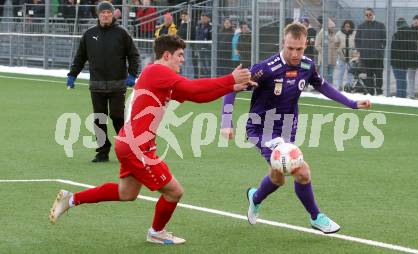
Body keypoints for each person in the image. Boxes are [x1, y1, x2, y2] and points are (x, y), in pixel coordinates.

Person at [49, 35, 253, 244]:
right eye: (179, 55)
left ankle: (71, 199)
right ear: (166, 55)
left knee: (126, 193)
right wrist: (230, 79)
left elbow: (197, 96)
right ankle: (156, 232)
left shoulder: (161, 78)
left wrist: (231, 87)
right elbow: (193, 88)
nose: (182, 59)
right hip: (137, 146)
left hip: (131, 144)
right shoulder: (158, 71)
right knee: (174, 192)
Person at [220, 23, 371, 234]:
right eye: (290, 48)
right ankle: (316, 217)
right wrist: (226, 122)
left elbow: (323, 86)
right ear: (283, 43)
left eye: (299, 49)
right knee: (302, 170)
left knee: (278, 177)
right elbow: (231, 88)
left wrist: (352, 103)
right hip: (261, 129)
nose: (294, 53)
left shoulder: (307, 66)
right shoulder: (266, 69)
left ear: (306, 44)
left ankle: (255, 197)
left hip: (287, 130)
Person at [66, 1, 140, 163]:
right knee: (99, 118)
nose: (105, 15)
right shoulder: (89, 34)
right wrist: (72, 75)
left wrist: (132, 74)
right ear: (98, 15)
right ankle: (103, 151)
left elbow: (133, 55)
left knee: (117, 116)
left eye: (108, 12)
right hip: (97, 85)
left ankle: (126, 150)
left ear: (113, 14)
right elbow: (80, 57)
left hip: (117, 85)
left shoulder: (122, 33)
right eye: (102, 12)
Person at [355, 8, 386, 95]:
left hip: (378, 56)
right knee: (369, 76)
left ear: (373, 15)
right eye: (367, 15)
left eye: (370, 14)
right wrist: (359, 50)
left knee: (379, 75)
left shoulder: (380, 25)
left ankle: (379, 92)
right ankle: (371, 92)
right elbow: (357, 40)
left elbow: (384, 39)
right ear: (365, 16)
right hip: (366, 56)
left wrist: (381, 49)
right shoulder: (361, 26)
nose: (368, 16)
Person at [391, 18, 412, 98]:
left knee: (399, 79)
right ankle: (403, 96)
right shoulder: (410, 33)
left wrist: (391, 61)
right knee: (403, 79)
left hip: (396, 61)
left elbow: (393, 49)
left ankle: (400, 97)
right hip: (405, 61)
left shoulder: (396, 35)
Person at [334, 20, 357, 91]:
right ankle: (339, 86)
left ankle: (349, 86)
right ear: (344, 26)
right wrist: (339, 51)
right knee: (341, 72)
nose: (347, 28)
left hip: (351, 57)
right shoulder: (339, 34)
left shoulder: (354, 34)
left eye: (349, 26)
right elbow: (336, 44)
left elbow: (356, 44)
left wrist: (355, 53)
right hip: (341, 56)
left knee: (350, 72)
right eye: (346, 26)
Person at [407, 15, 418, 99]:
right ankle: (411, 95)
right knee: (410, 78)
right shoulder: (409, 31)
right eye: (414, 20)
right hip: (410, 58)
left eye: (417, 20)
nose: (415, 21)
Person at [315, 18, 337, 85]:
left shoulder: (333, 33)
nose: (333, 29)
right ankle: (322, 88)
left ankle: (330, 88)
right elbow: (317, 45)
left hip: (332, 58)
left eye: (334, 27)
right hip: (324, 58)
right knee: (323, 75)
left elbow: (334, 44)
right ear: (328, 27)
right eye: (332, 27)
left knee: (330, 75)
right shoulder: (322, 32)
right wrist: (324, 52)